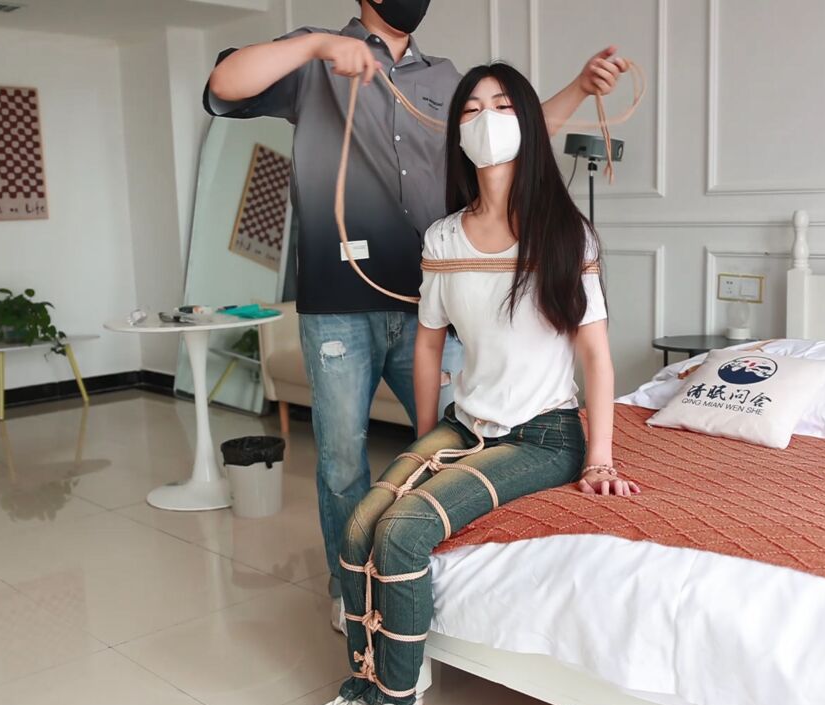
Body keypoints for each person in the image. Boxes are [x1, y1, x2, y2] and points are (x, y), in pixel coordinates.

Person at [204, 0, 630, 635]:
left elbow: (512, 134)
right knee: (342, 463)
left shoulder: (446, 80)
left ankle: (441, 585)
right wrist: (317, 45)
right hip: (339, 304)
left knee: (458, 453)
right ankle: (351, 592)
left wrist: (579, 86)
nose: (483, 116)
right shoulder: (316, 57)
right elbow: (223, 85)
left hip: (431, 303)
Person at [291, 62, 640, 705]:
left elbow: (597, 359)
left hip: (543, 436)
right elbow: (428, 348)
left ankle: (401, 703)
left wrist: (599, 458)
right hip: (463, 425)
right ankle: (363, 686)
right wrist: (425, 443)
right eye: (472, 109)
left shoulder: (566, 235)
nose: (486, 121)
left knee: (403, 531)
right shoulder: (443, 238)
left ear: (528, 124)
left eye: (503, 106)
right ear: (456, 134)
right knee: (360, 524)